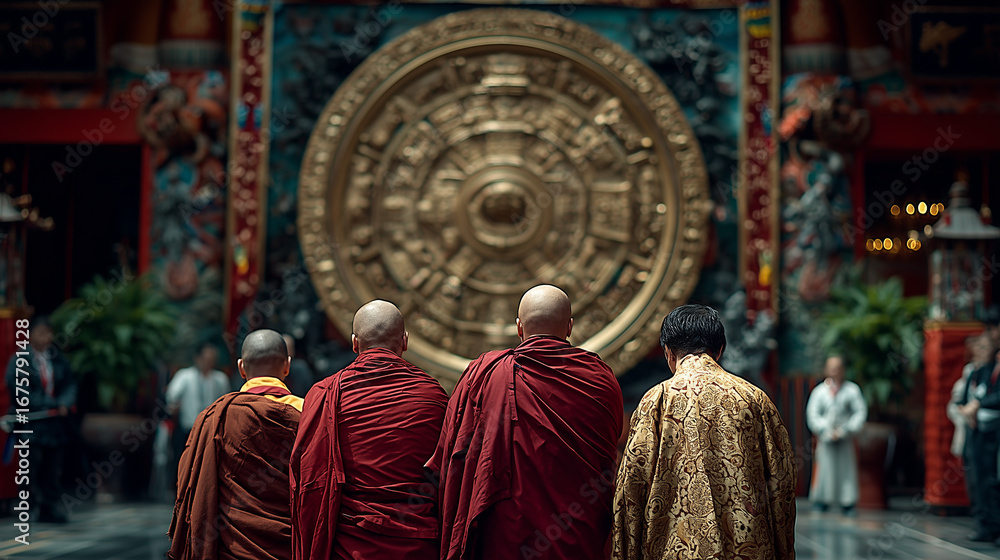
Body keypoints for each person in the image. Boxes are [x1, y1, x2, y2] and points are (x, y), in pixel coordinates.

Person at [429, 284, 624, 560]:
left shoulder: (485, 374)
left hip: (506, 536)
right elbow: (611, 442)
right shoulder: (599, 379)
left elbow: (453, 460)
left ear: (519, 327)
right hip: (577, 533)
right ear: (569, 327)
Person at [612, 304, 796, 560]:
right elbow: (782, 483)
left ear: (668, 353)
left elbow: (631, 488)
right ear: (719, 351)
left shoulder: (656, 401)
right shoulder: (755, 399)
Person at [290, 300, 448, 560]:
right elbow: (449, 477)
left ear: (354, 343)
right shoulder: (432, 395)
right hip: (416, 543)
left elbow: (308, 479)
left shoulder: (326, 394)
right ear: (405, 341)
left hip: (350, 545)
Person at [168, 329, 303, 560]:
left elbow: (190, 482)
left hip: (231, 547)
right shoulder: (309, 413)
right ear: (287, 365)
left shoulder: (215, 418)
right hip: (292, 545)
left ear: (241, 368)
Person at [3, 317, 76, 523]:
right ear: (30, 334)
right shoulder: (19, 360)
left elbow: (70, 382)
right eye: (42, 333)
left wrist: (64, 401)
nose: (48, 338)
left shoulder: (57, 358)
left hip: (55, 425)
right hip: (31, 424)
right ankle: (28, 507)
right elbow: (21, 392)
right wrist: (52, 404)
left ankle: (48, 507)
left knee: (53, 469)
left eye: (50, 333)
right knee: (30, 468)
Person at [806, 355, 867, 515]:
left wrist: (846, 429)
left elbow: (859, 412)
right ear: (826, 369)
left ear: (843, 369)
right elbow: (812, 414)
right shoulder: (819, 392)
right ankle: (822, 500)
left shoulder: (851, 390)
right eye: (831, 366)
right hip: (826, 438)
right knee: (824, 469)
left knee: (846, 470)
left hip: (844, 437)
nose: (834, 370)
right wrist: (824, 429)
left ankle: (847, 502)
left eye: (837, 366)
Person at [949, 334, 997, 528]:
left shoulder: (991, 372)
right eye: (978, 348)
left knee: (988, 478)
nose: (980, 351)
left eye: (984, 348)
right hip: (970, 428)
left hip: (988, 428)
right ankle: (981, 519)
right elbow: (960, 400)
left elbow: (986, 398)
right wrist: (964, 411)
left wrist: (975, 408)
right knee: (974, 477)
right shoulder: (972, 371)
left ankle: (990, 523)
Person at [165, 342, 230, 481]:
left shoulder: (219, 379)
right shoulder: (185, 376)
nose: (209, 363)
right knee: (183, 460)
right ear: (198, 358)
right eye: (206, 359)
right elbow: (171, 396)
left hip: (210, 428)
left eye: (212, 360)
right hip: (188, 426)